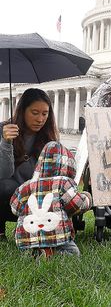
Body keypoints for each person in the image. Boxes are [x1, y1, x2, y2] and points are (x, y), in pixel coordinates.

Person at [10, 141, 92, 257]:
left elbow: (15, 208)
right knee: (73, 253)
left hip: (27, 238)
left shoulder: (27, 186)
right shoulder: (63, 183)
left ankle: (36, 252)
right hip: (57, 237)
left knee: (29, 247)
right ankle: (52, 251)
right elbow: (76, 205)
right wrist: (87, 198)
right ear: (69, 166)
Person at [0, 88, 58, 240]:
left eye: (44, 114)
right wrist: (6, 143)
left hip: (37, 199)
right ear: (22, 111)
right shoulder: (4, 130)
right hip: (8, 198)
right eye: (34, 113)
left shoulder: (49, 137)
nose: (40, 119)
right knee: (6, 186)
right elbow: (4, 174)